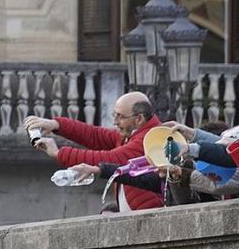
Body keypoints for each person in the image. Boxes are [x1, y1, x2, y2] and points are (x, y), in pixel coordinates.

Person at [24, 91, 163, 212]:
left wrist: (58, 153)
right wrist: (56, 125)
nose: (115, 122)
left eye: (120, 116)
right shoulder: (131, 135)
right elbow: (95, 135)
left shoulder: (149, 138)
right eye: (114, 115)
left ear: (139, 118)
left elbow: (110, 158)